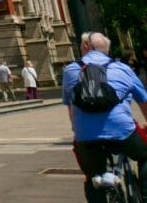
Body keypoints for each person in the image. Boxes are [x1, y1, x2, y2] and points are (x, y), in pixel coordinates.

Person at [63, 31, 147, 203]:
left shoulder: (70, 70)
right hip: (123, 132)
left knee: (91, 174)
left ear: (87, 47)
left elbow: (71, 109)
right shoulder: (123, 68)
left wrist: (77, 129)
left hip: (85, 136)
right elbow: (144, 101)